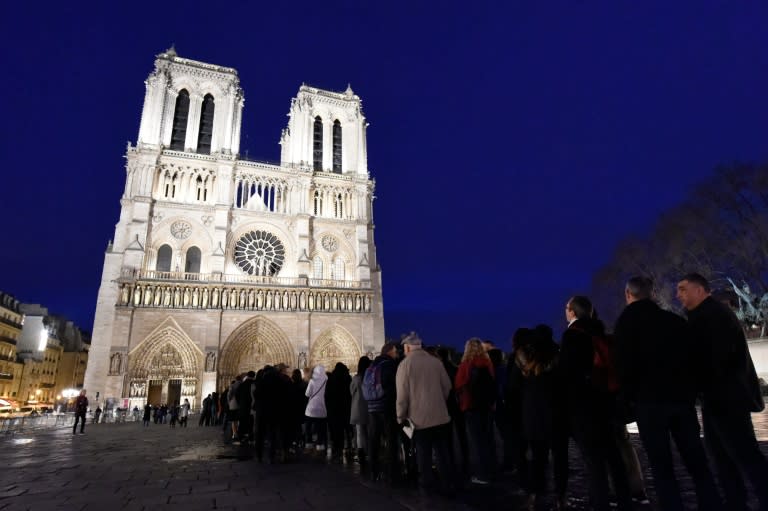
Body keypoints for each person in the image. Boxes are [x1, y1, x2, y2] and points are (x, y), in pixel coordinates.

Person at [614, 276, 722, 510]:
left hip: (648, 404)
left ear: (628, 295)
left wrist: (629, 397)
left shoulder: (625, 324)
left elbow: (623, 367)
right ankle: (711, 502)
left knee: (661, 466)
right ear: (651, 294)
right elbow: (693, 360)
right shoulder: (674, 321)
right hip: (680, 401)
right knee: (696, 461)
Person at [677, 273, 768, 510]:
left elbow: (714, 360)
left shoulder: (711, 317)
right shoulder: (709, 315)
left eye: (683, 289)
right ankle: (736, 502)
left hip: (725, 399)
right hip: (719, 398)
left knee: (743, 454)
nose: (679, 295)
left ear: (699, 290)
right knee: (725, 457)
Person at [560, 296, 631, 511]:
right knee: (613, 454)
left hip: (584, 404)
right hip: (607, 401)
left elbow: (568, 374)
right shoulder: (600, 332)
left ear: (572, 311)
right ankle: (624, 499)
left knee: (593, 459)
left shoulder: (572, 335)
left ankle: (600, 501)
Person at [396, 332, 454, 495]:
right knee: (442, 453)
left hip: (419, 420)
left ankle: (427, 486)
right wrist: (438, 402)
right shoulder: (436, 362)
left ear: (407, 347)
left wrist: (400, 416)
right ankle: (447, 484)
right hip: (441, 416)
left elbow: (402, 396)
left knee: (423, 454)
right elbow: (447, 386)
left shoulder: (404, 365)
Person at [513, 327, 559, 510]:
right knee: (557, 455)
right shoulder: (555, 359)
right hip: (554, 413)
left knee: (538, 456)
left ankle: (538, 491)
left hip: (533, 413)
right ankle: (559, 492)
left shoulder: (526, 365)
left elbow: (514, 389)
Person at [455, 337, 496, 485]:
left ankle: (482, 474)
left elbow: (458, 384)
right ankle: (492, 469)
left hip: (471, 405)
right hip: (487, 406)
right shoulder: (488, 363)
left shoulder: (466, 364)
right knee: (488, 439)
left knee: (477, 442)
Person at [366, 342, 400, 484]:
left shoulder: (371, 366)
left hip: (372, 407)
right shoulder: (390, 364)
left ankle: (373, 472)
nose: (397, 354)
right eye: (395, 351)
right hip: (386, 406)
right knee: (391, 440)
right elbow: (395, 386)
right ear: (391, 352)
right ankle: (392, 474)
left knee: (374, 440)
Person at [325, 362, 353, 462]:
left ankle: (337, 450)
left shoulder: (331, 379)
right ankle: (349, 447)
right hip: (346, 408)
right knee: (347, 429)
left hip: (333, 410)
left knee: (335, 431)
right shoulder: (347, 378)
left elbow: (326, 395)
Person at [349, 356, 371, 464]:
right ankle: (369, 453)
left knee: (359, 433)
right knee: (369, 432)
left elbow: (351, 391)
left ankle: (361, 453)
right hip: (370, 408)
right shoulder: (370, 377)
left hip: (358, 408)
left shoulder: (356, 378)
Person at [305, 365, 328, 454]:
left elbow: (307, 393)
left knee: (308, 428)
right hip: (322, 409)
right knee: (320, 430)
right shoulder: (326, 380)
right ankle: (320, 447)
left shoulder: (312, 380)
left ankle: (309, 446)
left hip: (311, 409)